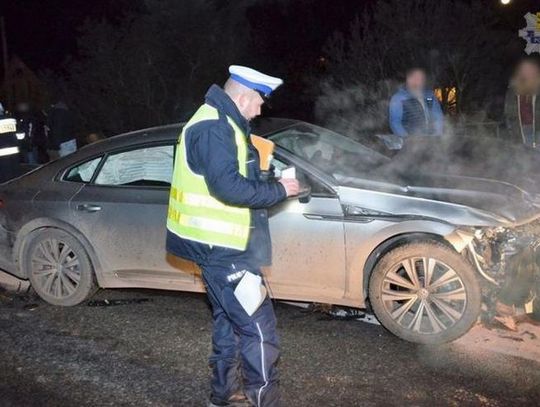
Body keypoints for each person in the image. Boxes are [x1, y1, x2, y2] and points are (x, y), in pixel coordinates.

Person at [166, 65, 300, 407]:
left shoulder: (217, 120)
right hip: (226, 252)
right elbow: (228, 188)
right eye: (258, 102)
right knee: (259, 330)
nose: (259, 110)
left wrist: (262, 171)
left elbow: (228, 177)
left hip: (220, 250)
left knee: (228, 325)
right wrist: (280, 190)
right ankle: (263, 401)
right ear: (242, 97)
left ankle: (222, 397)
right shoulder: (215, 127)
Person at [389, 67, 444, 138]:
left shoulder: (430, 95)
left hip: (430, 139)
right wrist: (408, 140)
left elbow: (438, 117)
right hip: (411, 140)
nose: (417, 81)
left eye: (420, 79)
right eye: (414, 78)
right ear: (408, 79)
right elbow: (395, 123)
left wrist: (437, 136)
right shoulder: (399, 98)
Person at [504, 56, 540, 148]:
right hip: (520, 132)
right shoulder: (512, 91)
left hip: (536, 131)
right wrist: (511, 133)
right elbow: (508, 113)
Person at [0, 103, 21, 182]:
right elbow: (20, 135)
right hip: (14, 153)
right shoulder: (11, 119)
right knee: (14, 178)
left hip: (1, 156)